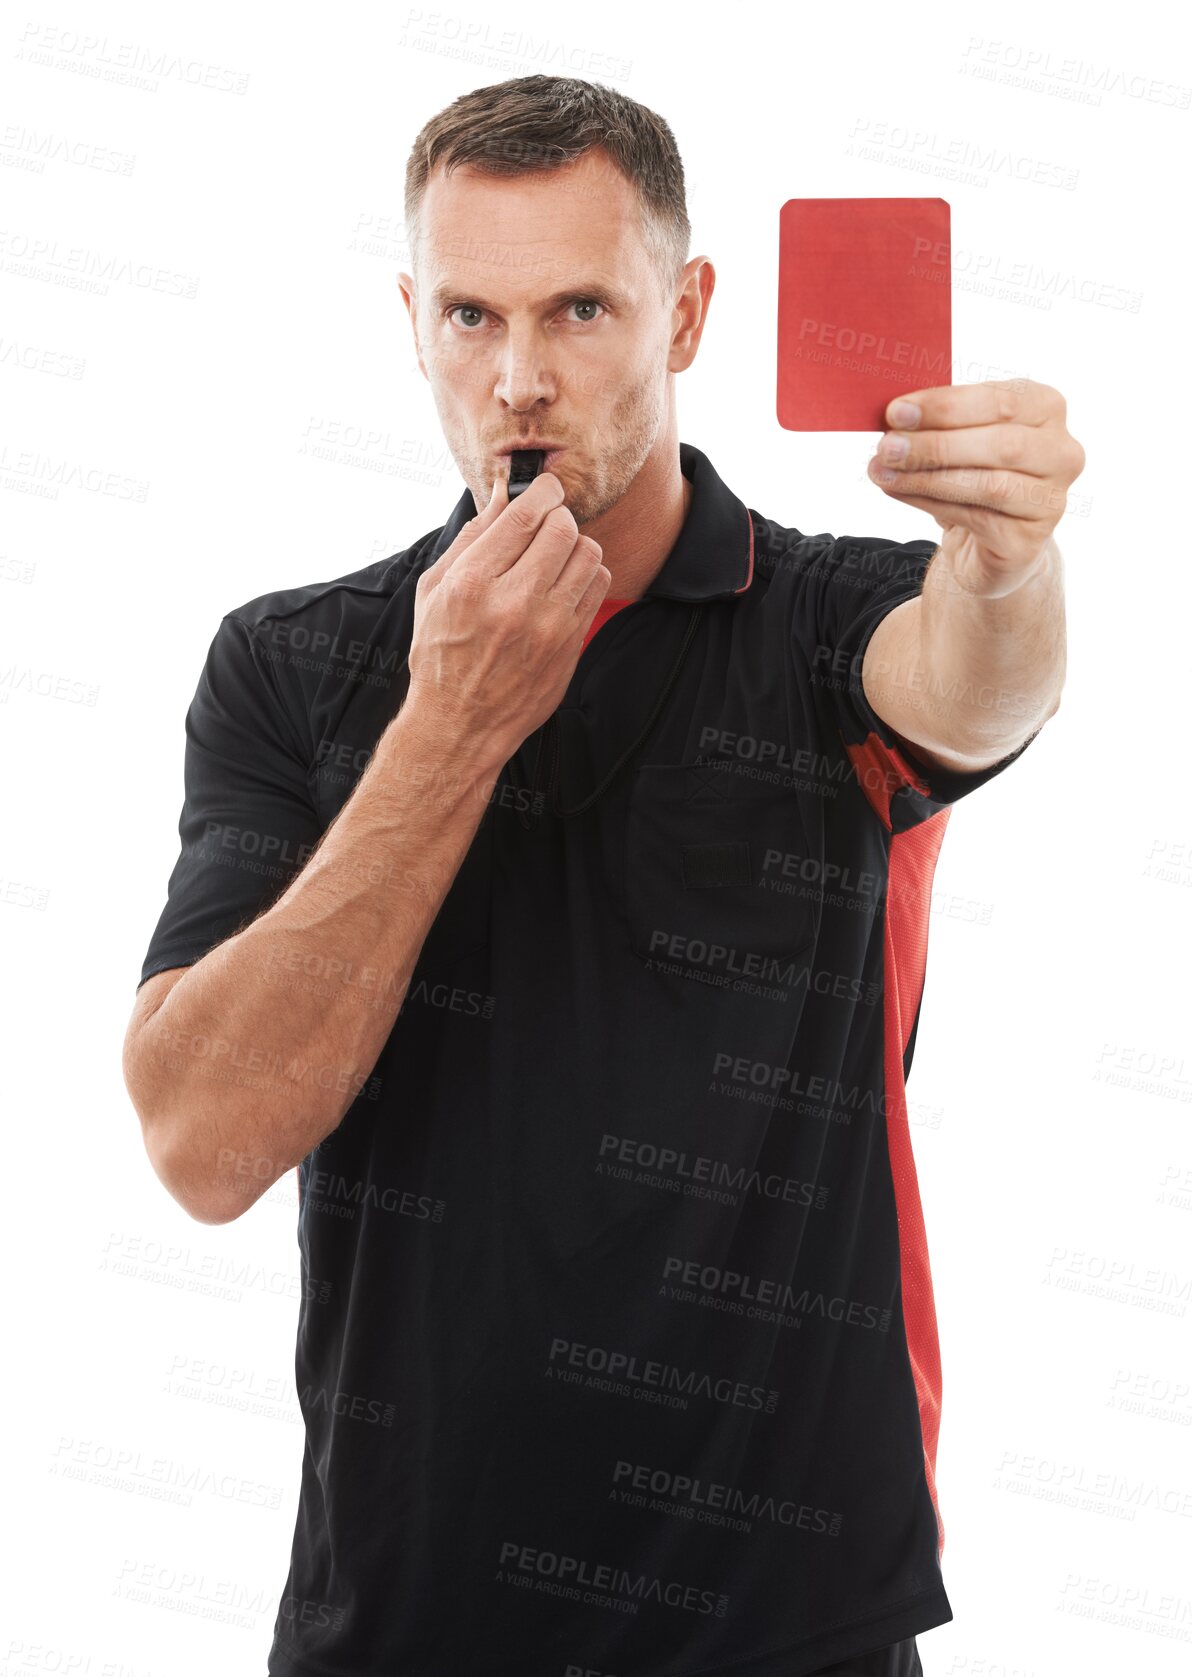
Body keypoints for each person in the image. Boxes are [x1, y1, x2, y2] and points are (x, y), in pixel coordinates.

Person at [122, 73, 1081, 1677]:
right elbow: (202, 1141)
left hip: (788, 1629)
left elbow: (980, 681)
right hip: (409, 1623)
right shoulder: (291, 667)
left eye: (579, 308)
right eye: (470, 317)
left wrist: (1009, 561)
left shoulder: (825, 621)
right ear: (412, 323)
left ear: (686, 314)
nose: (520, 378)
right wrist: (448, 730)